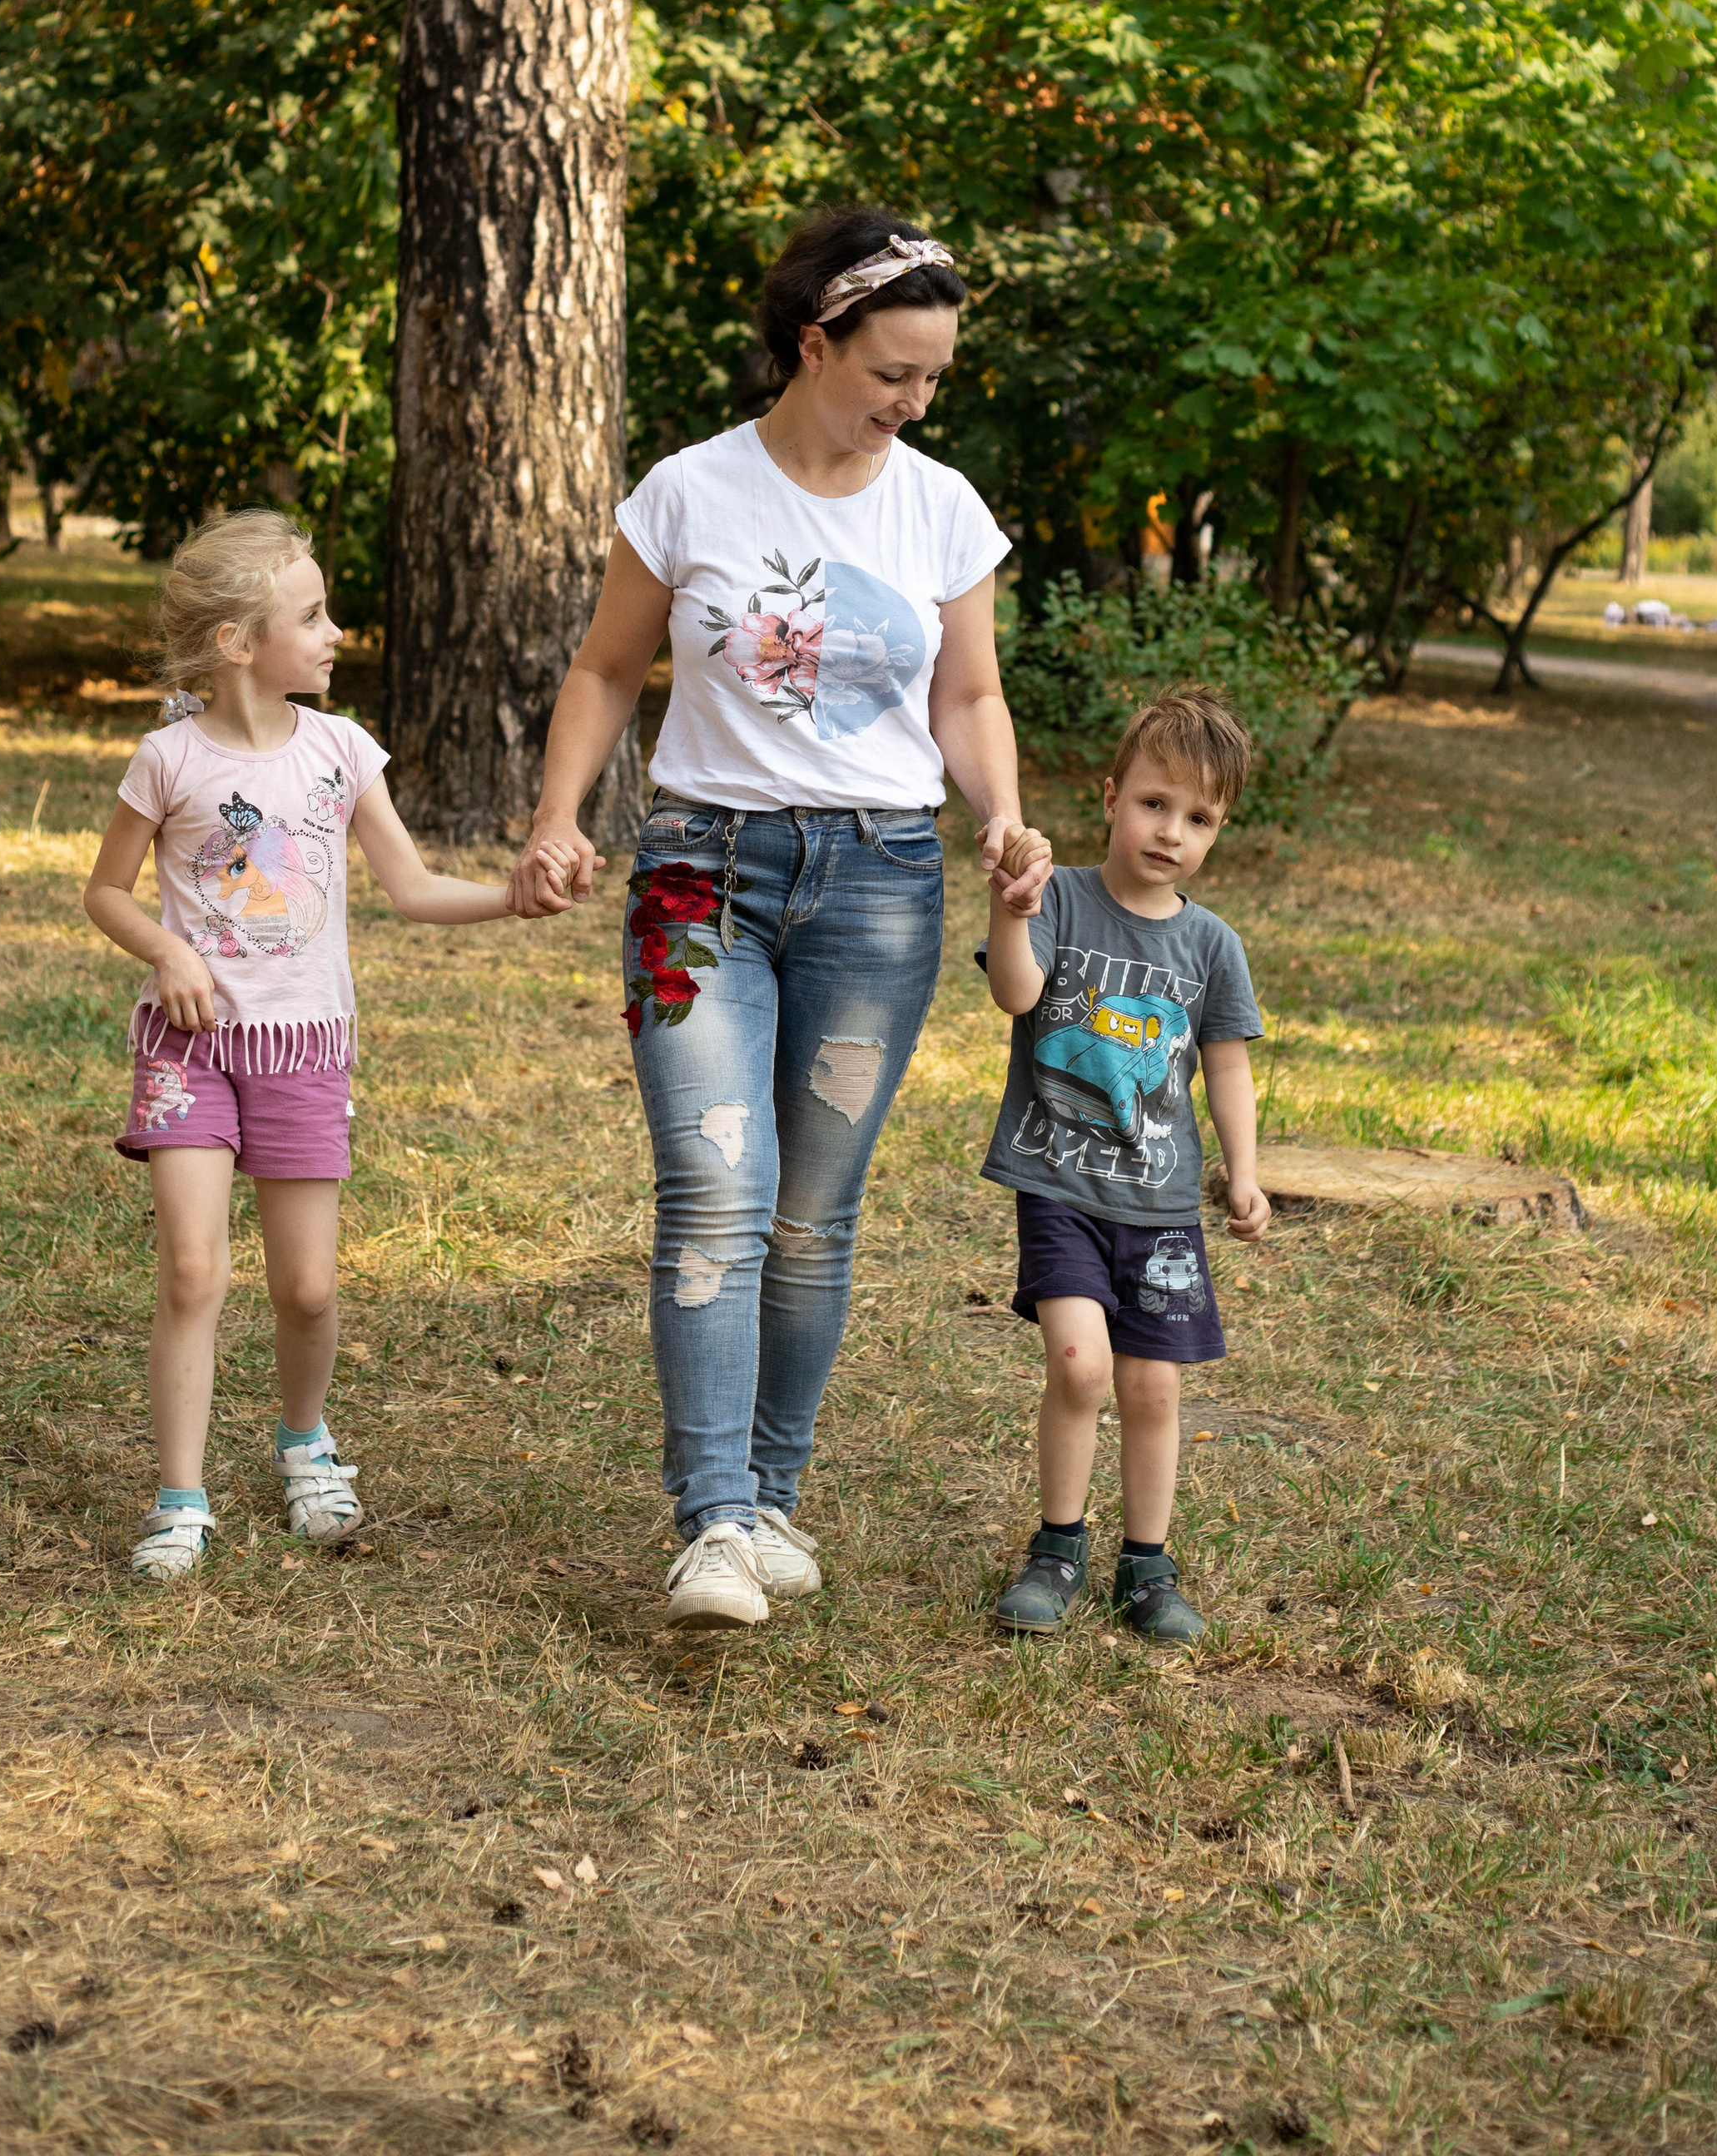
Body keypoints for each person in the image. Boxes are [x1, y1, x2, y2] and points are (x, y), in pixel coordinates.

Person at [508, 206, 1046, 1629]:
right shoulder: (690, 492)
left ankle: (772, 1495)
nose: (912, 405)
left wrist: (997, 810)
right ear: (814, 344)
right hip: (700, 878)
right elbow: (609, 670)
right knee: (717, 1193)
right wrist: (561, 812)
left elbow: (970, 698)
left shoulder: (942, 508)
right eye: (891, 375)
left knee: (811, 1219)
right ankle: (711, 1527)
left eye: (933, 381)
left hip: (879, 886)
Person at [82, 512, 519, 1584]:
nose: (334, 633)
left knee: (308, 1290)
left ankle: (305, 1440)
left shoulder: (340, 750)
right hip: (190, 1049)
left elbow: (411, 888)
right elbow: (106, 891)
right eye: (312, 615)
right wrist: (164, 953)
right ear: (238, 641)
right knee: (192, 1271)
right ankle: (179, 1500)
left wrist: (514, 897)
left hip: (304, 1051)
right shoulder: (167, 759)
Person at [980, 686, 1270, 1648]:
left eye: (1198, 819)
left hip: (1161, 1205)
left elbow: (1224, 1063)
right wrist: (1010, 905)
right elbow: (1016, 994)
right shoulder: (1059, 897)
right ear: (1110, 797)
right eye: (1154, 803)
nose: (1171, 832)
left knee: (1152, 1389)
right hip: (1060, 1184)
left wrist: (1242, 1171)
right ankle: (1057, 1550)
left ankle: (1146, 1566)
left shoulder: (1209, 945)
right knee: (1079, 1366)